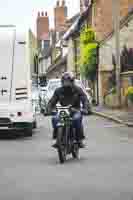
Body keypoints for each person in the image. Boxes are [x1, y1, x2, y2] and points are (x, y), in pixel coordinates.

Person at [47, 72, 89, 148]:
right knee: (55, 119)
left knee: (76, 119)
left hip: (75, 110)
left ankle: (79, 139)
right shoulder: (58, 91)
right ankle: (58, 139)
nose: (66, 83)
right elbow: (51, 101)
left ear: (72, 81)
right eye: (64, 81)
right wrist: (49, 109)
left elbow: (85, 100)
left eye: (68, 81)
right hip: (63, 111)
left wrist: (85, 108)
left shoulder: (78, 90)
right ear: (62, 82)